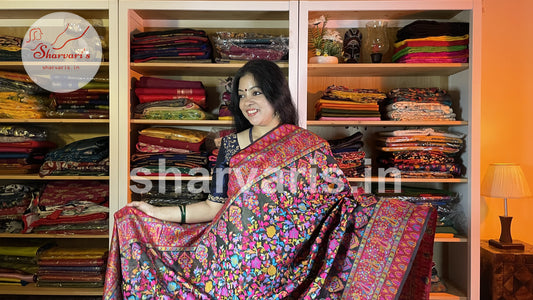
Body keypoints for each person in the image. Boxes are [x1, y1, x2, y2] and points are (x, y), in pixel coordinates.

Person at [104, 59, 437, 299]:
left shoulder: (309, 147)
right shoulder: (231, 146)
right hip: (229, 268)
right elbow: (212, 206)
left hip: (287, 269)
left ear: (276, 94)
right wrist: (157, 212)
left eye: (257, 92)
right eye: (242, 94)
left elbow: (340, 208)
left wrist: (393, 214)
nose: (248, 101)